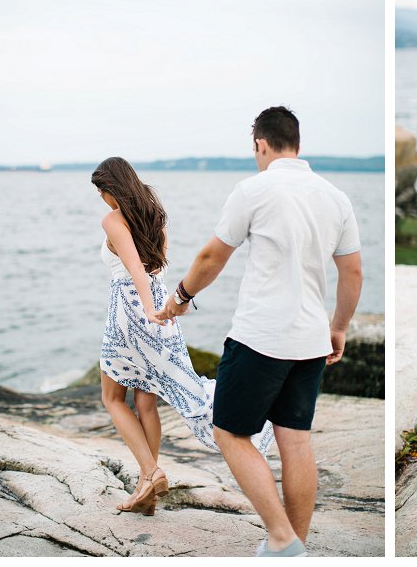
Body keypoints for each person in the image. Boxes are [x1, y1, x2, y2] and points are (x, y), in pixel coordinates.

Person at [156, 106, 363, 558]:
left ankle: (282, 538)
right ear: (298, 145)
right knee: (295, 439)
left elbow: (212, 257)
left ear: (260, 145)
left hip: (260, 337)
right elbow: (353, 273)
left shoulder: (253, 190)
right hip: (310, 340)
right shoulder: (335, 197)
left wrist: (180, 298)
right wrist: (340, 327)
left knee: (229, 433)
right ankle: (295, 546)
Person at [93, 157, 271, 517]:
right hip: (162, 309)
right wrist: (163, 311)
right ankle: (147, 486)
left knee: (112, 398)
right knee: (146, 401)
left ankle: (150, 472)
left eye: (101, 192)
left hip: (132, 311)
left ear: (111, 189)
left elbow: (134, 269)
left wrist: (146, 310)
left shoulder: (113, 219)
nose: (102, 199)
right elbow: (156, 268)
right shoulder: (155, 217)